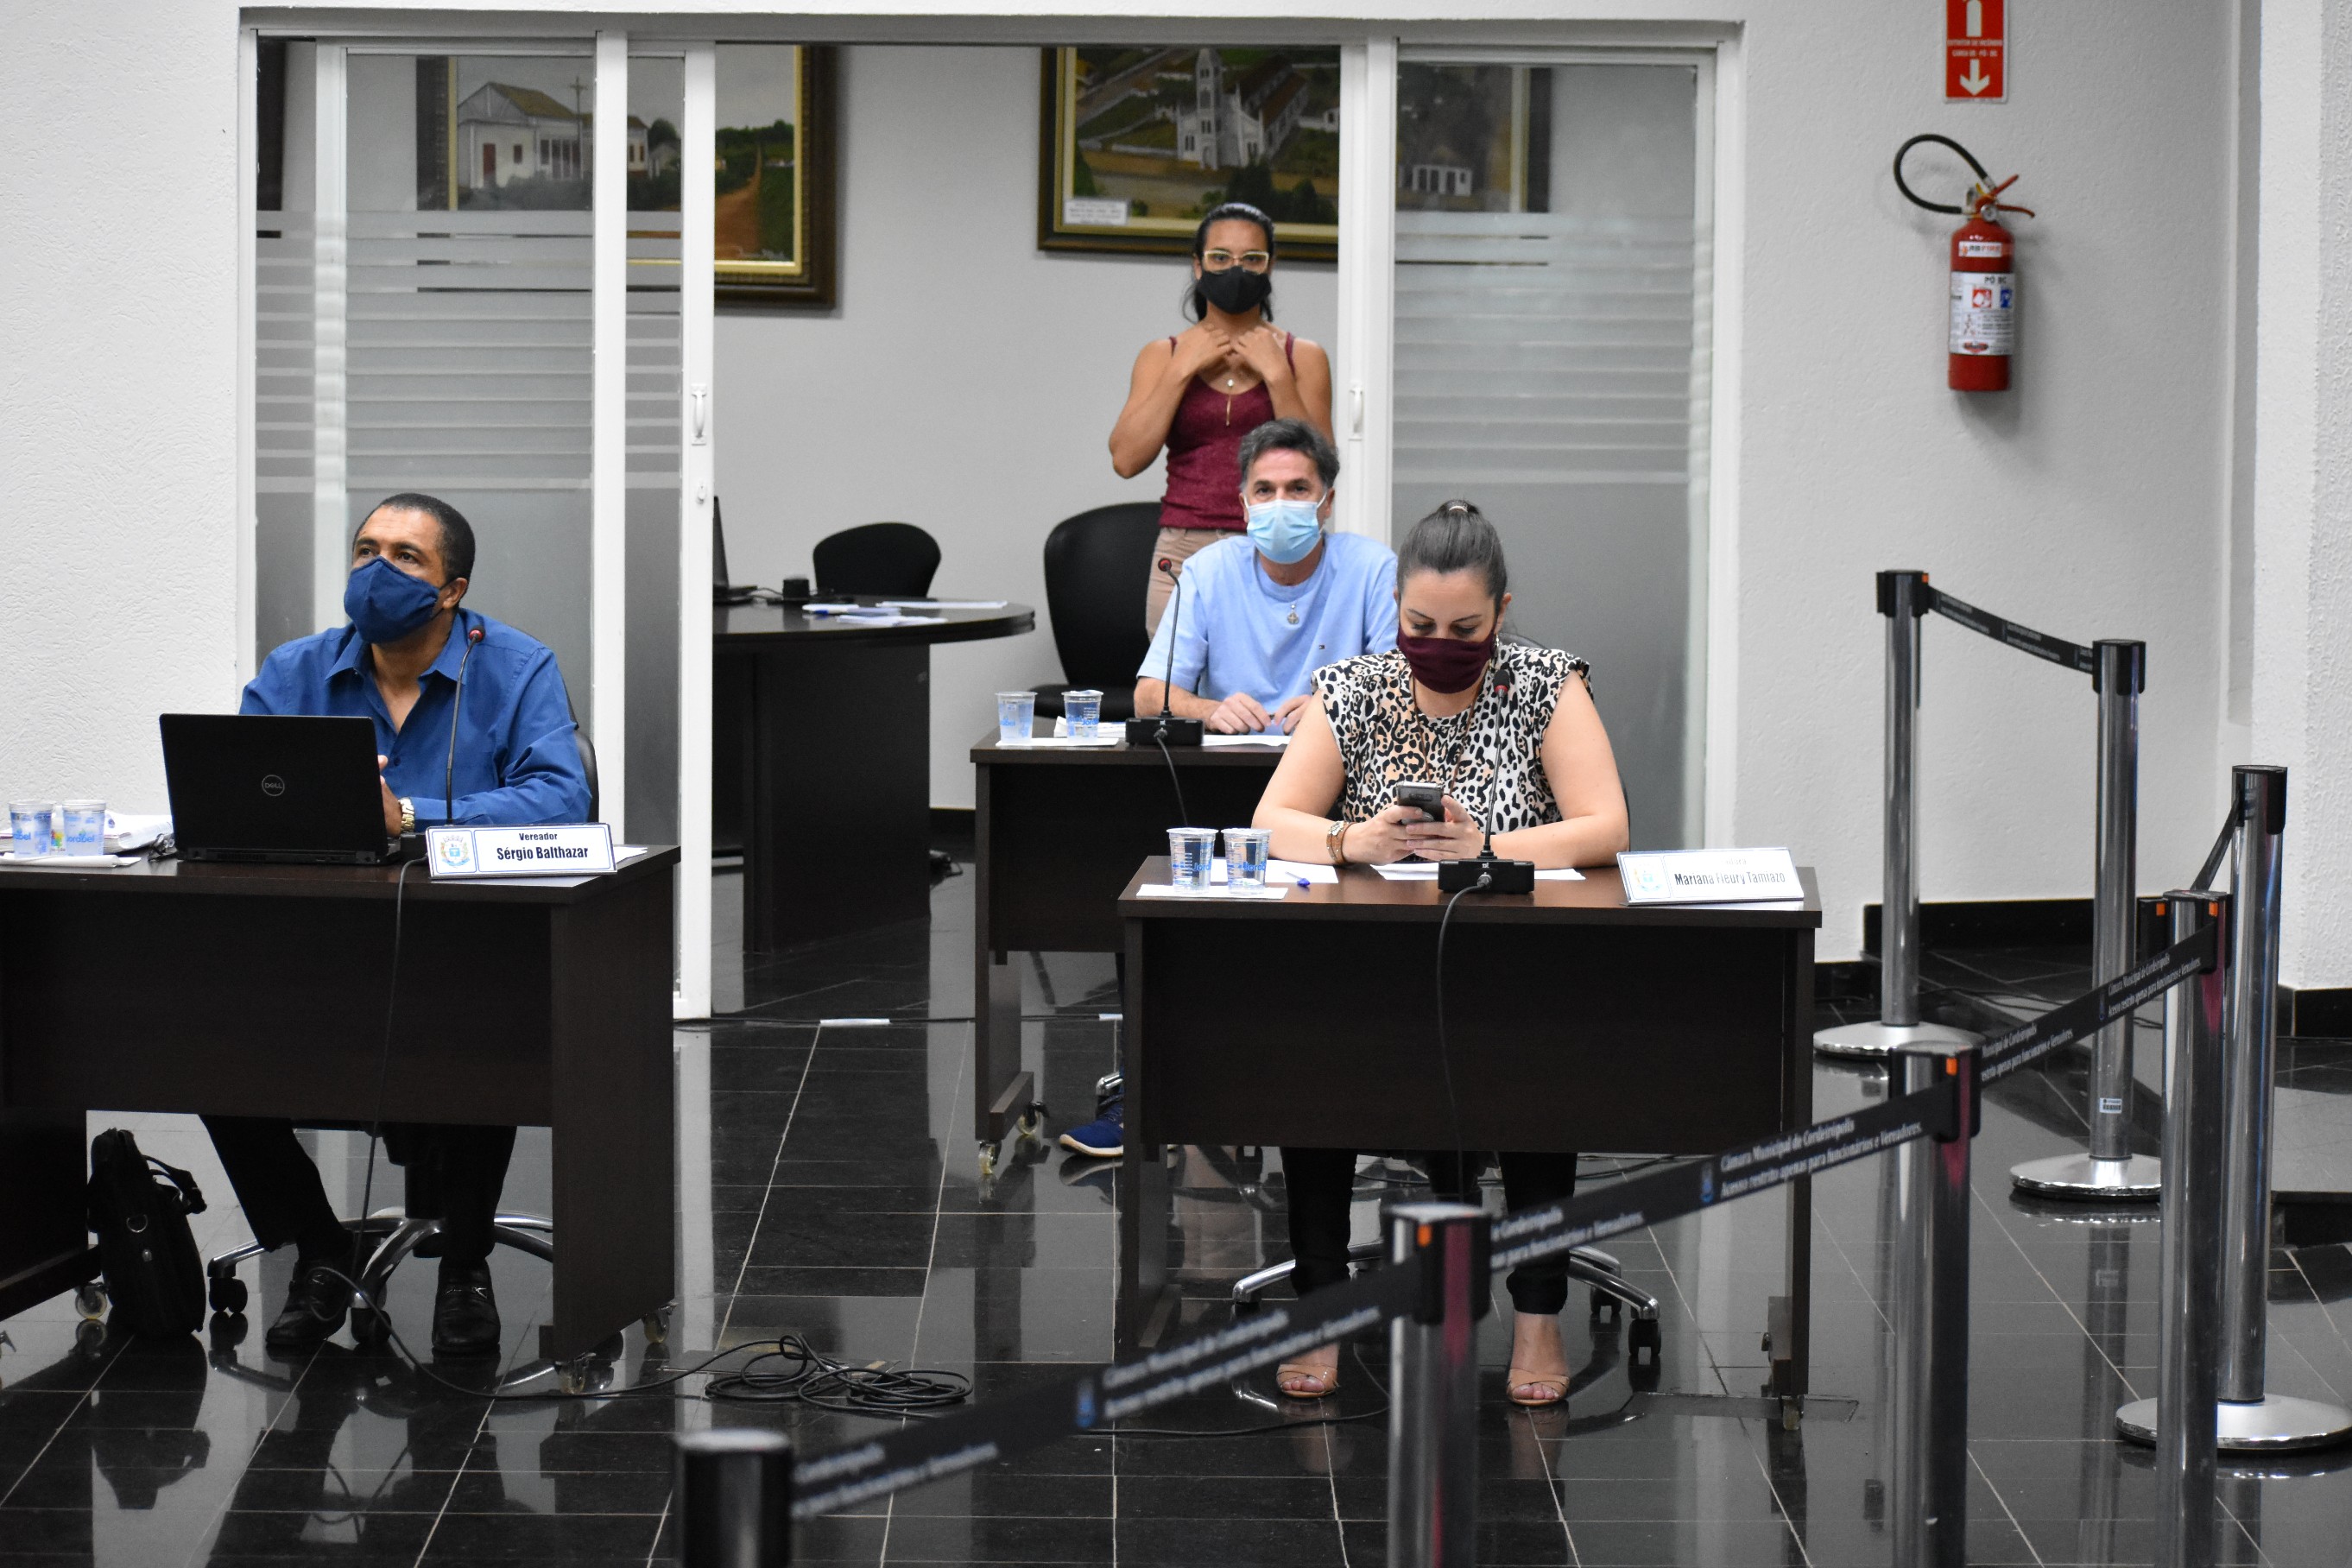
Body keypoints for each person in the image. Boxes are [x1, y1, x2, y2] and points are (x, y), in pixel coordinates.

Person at [1250, 500, 1631, 1406]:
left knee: (1538, 1067)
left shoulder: (1545, 683)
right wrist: (1353, 840)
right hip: (1372, 968)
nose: (1440, 645)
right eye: (1420, 626)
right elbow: (1272, 820)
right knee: (1314, 1056)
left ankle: (1537, 1313)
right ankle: (1322, 1305)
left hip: (1514, 969)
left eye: (1465, 629)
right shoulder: (1354, 687)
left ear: (1502, 611)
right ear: (1394, 607)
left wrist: (1486, 848)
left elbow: (1606, 826)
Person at [206, 491, 591, 1357]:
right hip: (320, 951)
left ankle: (465, 1262)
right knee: (209, 1045)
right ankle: (320, 1248)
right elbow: (236, 790)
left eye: (406, 557)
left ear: (452, 589)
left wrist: (409, 816)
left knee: (477, 1025)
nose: (377, 570)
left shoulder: (516, 667)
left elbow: (562, 799)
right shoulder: (296, 671)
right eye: (366, 549)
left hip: (467, 951)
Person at [1108, 201, 1334, 635]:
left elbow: (1322, 463)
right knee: (1177, 676)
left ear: (1270, 266)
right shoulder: (1162, 355)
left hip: (1280, 546)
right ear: (1198, 266)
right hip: (1183, 549)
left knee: (1281, 675)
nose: (1236, 270)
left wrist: (1277, 375)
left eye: (1252, 259)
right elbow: (1126, 459)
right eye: (1220, 257)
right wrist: (1181, 369)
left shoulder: (1303, 356)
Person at [1131, 418, 1397, 736]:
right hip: (1235, 755)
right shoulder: (1207, 571)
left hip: (1333, 755)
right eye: (1264, 490)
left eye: (1298, 489)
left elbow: (1404, 688)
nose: (1280, 503)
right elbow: (1148, 697)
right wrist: (1210, 711)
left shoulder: (1373, 569)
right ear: (1244, 506)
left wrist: (1339, 704)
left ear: (1327, 503)